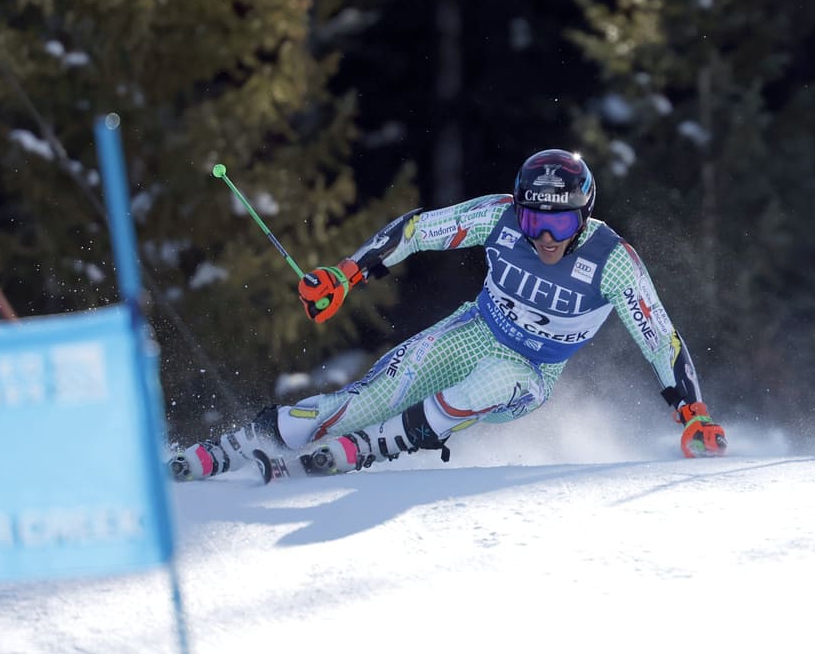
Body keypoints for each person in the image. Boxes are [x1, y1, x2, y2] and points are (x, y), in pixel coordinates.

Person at [169, 149, 726, 482]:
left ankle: (374, 448)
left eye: (560, 226)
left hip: (530, 375)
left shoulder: (613, 262)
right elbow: (417, 230)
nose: (546, 239)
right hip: (471, 331)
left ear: (585, 216)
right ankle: (228, 451)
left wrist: (692, 412)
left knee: (494, 378)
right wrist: (348, 274)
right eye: (535, 224)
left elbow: (661, 340)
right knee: (356, 402)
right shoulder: (500, 216)